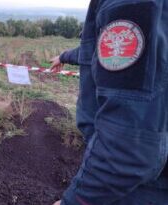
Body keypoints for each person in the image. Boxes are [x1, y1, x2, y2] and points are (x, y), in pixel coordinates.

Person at [50, 0, 168, 204]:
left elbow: (127, 148)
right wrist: (64, 56)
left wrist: (75, 200)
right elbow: (99, 50)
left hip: (140, 189)